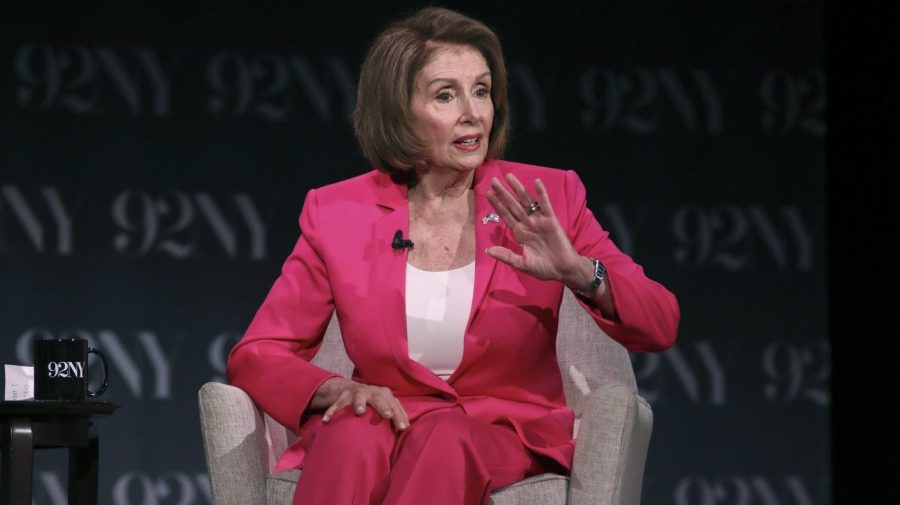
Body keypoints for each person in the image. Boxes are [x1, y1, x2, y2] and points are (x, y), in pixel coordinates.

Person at [227, 6, 679, 505]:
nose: (473, 113)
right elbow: (258, 354)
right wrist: (336, 388)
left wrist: (580, 272)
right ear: (398, 110)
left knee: (442, 436)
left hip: (499, 431)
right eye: (446, 95)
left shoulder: (543, 196)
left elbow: (660, 324)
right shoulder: (338, 212)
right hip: (386, 420)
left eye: (481, 91)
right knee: (351, 429)